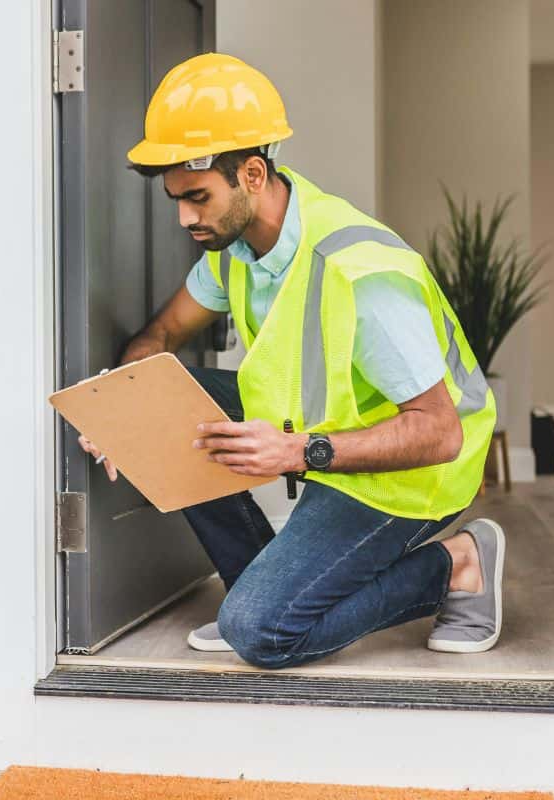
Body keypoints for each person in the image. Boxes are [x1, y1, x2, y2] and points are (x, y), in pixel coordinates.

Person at [78, 53, 505, 669]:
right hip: (324, 440)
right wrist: (126, 410)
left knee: (261, 633)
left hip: (410, 475)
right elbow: (162, 333)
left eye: (197, 197)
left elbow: (439, 433)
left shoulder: (359, 273)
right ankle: (262, 585)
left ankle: (460, 563)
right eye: (177, 199)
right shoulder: (234, 249)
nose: (184, 218)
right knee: (170, 402)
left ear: (252, 174)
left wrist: (302, 451)